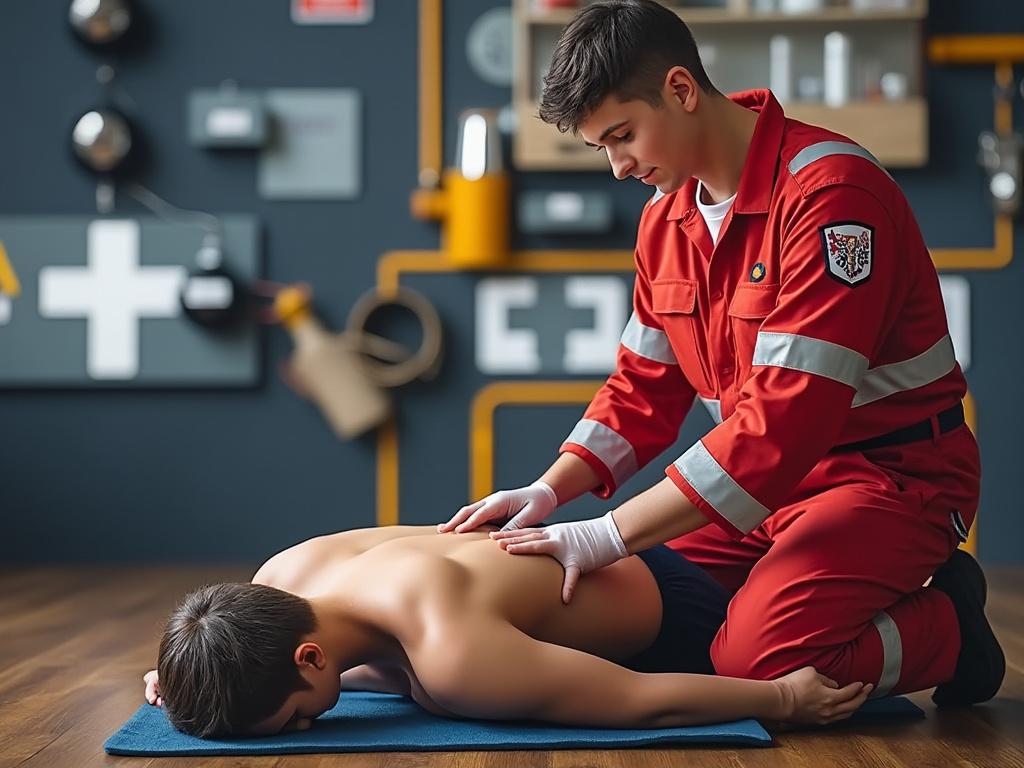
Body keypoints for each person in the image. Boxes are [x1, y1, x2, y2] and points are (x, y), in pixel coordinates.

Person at [440, 0, 1004, 707]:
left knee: (753, 668)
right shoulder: (665, 219)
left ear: (680, 90)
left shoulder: (831, 198)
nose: (617, 168)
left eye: (622, 136)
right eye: (601, 148)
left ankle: (949, 629)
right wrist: (551, 490)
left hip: (890, 480)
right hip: (762, 490)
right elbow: (642, 387)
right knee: (639, 613)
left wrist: (608, 533)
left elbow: (783, 425)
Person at [143, 525, 872, 737]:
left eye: (294, 719)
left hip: (674, 614)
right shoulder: (282, 573)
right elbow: (225, 636)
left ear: (309, 657)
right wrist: (184, 676)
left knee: (809, 660)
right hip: (604, 550)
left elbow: (639, 699)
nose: (304, 732)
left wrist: (781, 701)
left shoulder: (453, 656)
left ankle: (941, 621)